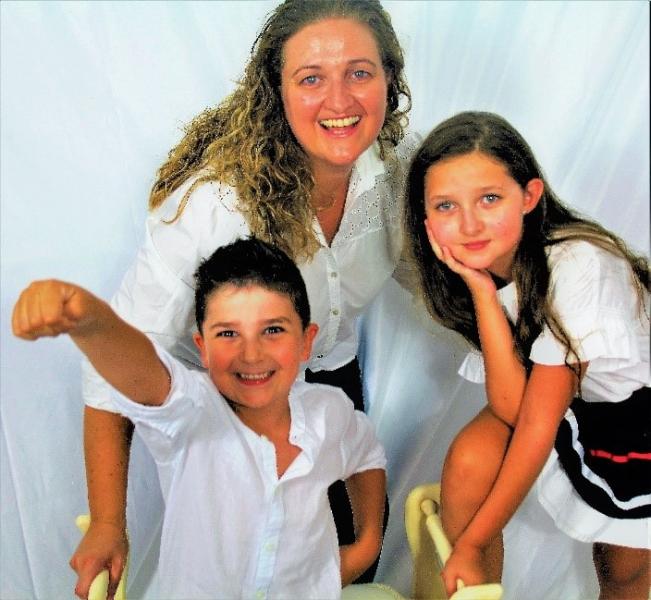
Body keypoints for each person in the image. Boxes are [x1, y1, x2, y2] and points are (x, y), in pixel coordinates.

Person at [75, 0, 417, 595]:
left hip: (327, 377)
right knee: (237, 569)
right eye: (311, 78)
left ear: (390, 77)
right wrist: (108, 521)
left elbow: (438, 274)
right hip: (224, 403)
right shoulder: (215, 206)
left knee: (333, 564)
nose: (339, 100)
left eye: (359, 72)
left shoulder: (397, 173)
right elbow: (111, 369)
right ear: (275, 90)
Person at [13, 237, 387, 599]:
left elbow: (366, 453)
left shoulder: (329, 411)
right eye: (228, 333)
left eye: (273, 330)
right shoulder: (191, 414)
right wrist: (88, 319)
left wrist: (367, 542)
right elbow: (142, 372)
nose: (251, 354)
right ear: (202, 349)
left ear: (306, 341)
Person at [404, 111, 650, 599]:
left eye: (489, 199)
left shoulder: (578, 264)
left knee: (622, 570)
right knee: (472, 459)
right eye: (446, 206)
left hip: (638, 413)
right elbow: (514, 407)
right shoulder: (481, 273)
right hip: (571, 404)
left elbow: (536, 425)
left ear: (530, 196)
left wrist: (471, 543)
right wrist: (480, 290)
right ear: (425, 218)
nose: (469, 223)